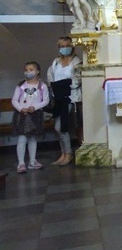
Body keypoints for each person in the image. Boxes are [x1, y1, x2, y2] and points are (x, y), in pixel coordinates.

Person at [47, 36, 82, 167]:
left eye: (67, 45)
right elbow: (50, 76)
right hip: (58, 98)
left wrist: (64, 86)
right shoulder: (56, 62)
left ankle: (68, 153)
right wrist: (55, 88)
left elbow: (77, 79)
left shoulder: (76, 61)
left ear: (72, 47)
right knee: (58, 128)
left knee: (61, 127)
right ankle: (64, 153)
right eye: (62, 46)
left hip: (71, 97)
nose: (64, 48)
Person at [12, 61, 50, 174]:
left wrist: (35, 107)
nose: (28, 72)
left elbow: (46, 100)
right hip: (22, 115)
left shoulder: (42, 86)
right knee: (22, 139)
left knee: (33, 138)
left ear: (37, 71)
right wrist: (20, 108)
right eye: (26, 70)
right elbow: (14, 100)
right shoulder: (21, 86)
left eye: (31, 70)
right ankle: (21, 163)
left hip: (35, 115)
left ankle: (32, 161)